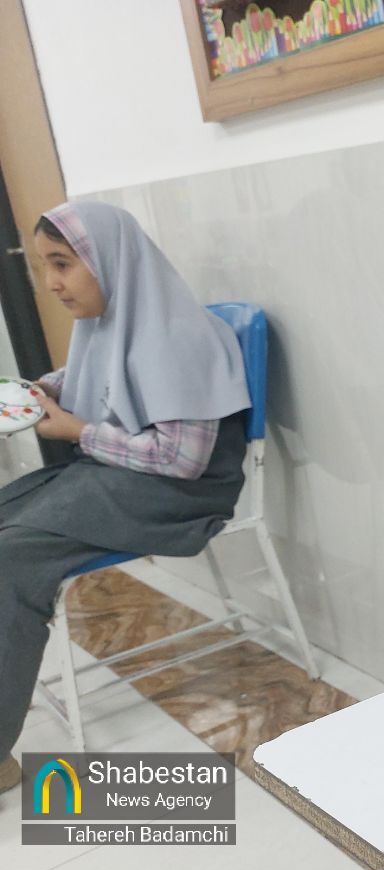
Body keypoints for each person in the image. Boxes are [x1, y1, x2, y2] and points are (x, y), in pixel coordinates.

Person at [0, 201, 250, 794]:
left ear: (109, 261)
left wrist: (77, 432)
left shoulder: (180, 338)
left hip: (178, 497)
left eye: (63, 264)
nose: (52, 283)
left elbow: (183, 461)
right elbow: (91, 380)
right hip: (121, 480)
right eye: (44, 266)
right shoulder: (112, 322)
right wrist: (38, 392)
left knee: (11, 558)